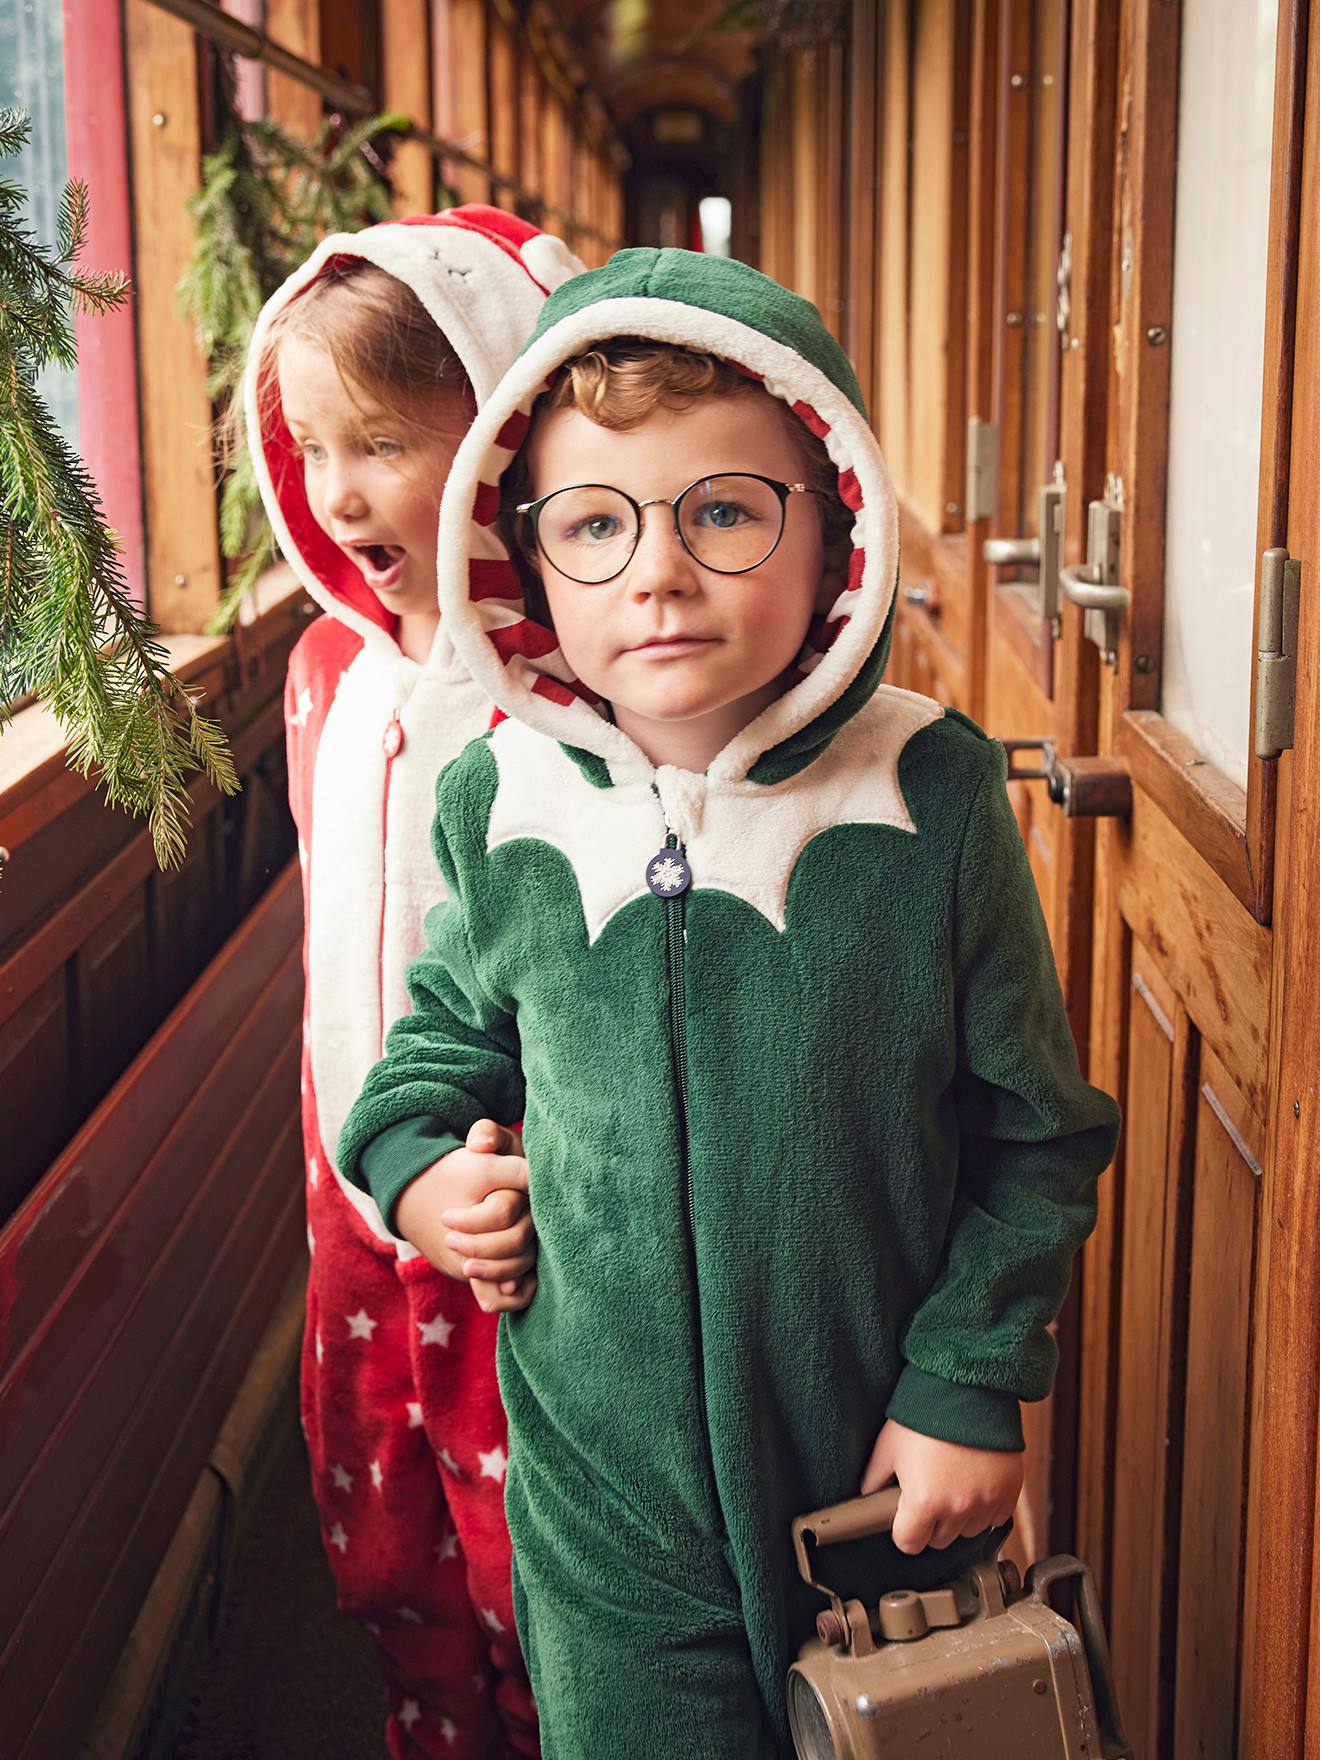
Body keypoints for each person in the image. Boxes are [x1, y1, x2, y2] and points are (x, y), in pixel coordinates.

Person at [337, 248, 1122, 1758]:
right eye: (594, 526)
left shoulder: (929, 792)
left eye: (724, 512)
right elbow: (428, 1052)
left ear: (834, 528)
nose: (657, 572)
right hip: (604, 1505)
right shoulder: (498, 800)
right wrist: (419, 1169)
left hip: (880, 1483)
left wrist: (971, 1376)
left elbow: (1040, 1137)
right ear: (524, 561)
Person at [243, 204, 580, 1760]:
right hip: (352, 1225)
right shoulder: (330, 676)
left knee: (548, 1578)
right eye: (309, 449)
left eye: (380, 440)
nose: (339, 493)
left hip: (528, 1245)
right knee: (382, 1552)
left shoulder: (579, 705)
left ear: (511, 415)